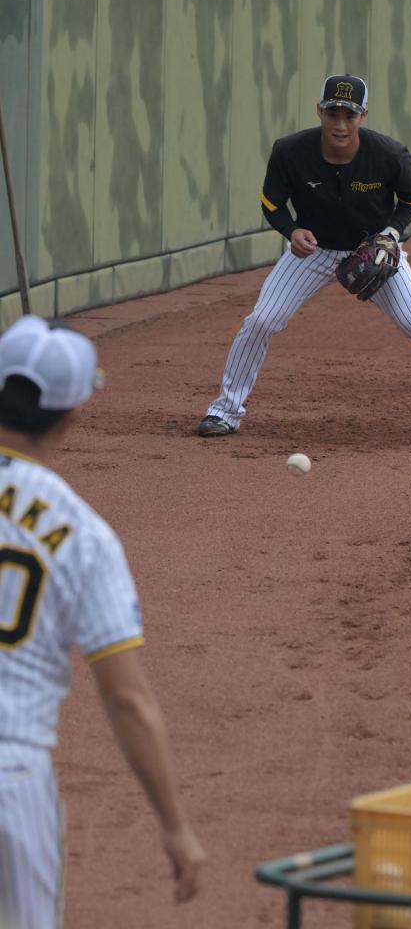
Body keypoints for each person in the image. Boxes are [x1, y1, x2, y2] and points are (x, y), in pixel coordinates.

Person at [0, 316, 205, 929]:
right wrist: (175, 827)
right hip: (12, 781)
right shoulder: (84, 536)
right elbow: (127, 697)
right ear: (73, 415)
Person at [197, 73, 411, 442]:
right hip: (313, 252)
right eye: (333, 114)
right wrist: (290, 231)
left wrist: (391, 235)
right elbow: (271, 204)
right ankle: (224, 411)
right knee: (263, 319)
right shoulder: (290, 152)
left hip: (373, 249)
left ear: (364, 115)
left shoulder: (387, 155)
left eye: (349, 115)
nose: (340, 124)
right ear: (319, 112)